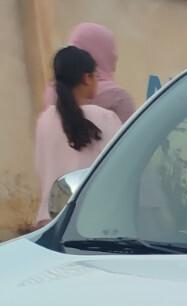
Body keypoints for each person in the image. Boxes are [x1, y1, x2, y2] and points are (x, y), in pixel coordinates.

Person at [34, 45, 121, 227]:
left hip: (48, 223)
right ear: (86, 78)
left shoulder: (44, 120)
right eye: (96, 75)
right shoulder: (105, 118)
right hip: (91, 222)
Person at [40, 23, 136, 123]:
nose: (114, 64)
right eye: (112, 55)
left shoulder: (51, 93)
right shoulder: (118, 98)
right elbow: (135, 136)